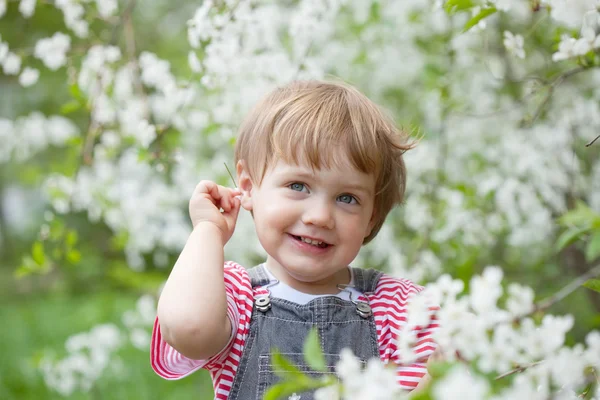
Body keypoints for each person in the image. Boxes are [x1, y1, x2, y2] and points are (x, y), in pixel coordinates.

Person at [151, 80, 439, 400]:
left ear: (371, 216)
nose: (320, 216)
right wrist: (208, 230)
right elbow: (189, 329)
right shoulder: (237, 298)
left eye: (347, 198)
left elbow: (450, 372)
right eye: (298, 186)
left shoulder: (395, 308)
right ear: (248, 186)